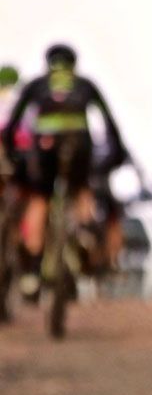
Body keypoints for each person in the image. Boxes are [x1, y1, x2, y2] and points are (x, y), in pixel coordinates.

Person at [1, 45, 126, 299]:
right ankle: (85, 233)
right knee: (81, 189)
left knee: (40, 198)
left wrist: (13, 152)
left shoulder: (37, 84)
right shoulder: (85, 84)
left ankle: (33, 269)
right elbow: (109, 121)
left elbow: (14, 123)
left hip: (44, 148)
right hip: (79, 145)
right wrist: (117, 153)